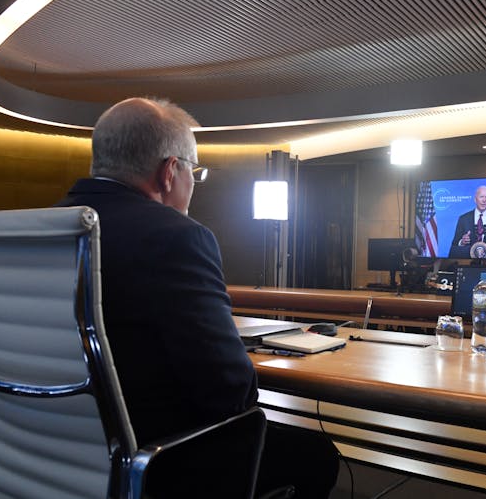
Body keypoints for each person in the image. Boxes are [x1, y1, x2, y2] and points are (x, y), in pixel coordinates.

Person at [56, 98, 338, 498]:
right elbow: (231, 391)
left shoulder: (44, 228)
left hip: (58, 451)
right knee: (315, 454)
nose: (193, 183)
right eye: (195, 171)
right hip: (157, 460)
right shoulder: (176, 236)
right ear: (170, 171)